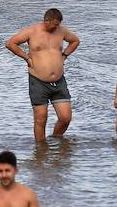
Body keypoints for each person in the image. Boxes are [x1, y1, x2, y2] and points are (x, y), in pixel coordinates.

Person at [5, 8, 80, 144]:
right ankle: (41, 149)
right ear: (46, 21)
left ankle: (55, 141)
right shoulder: (31, 31)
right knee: (41, 118)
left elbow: (75, 41)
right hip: (38, 81)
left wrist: (64, 55)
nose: (57, 27)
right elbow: (10, 43)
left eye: (59, 24)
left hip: (59, 81)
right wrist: (26, 58)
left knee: (65, 118)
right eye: (55, 24)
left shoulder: (61, 31)